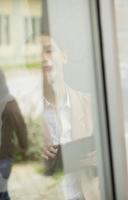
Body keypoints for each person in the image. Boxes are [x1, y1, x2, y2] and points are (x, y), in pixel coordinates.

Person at [39, 34, 99, 200]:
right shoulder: (24, 120)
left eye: (49, 50)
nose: (43, 58)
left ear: (64, 56)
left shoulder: (93, 107)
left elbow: (117, 162)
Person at [0, 69, 28, 200]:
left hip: (3, 157)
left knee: (2, 192)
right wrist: (24, 146)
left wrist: (24, 144)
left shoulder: (8, 103)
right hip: (5, 156)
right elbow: (20, 126)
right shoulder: (9, 102)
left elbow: (20, 126)